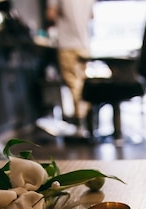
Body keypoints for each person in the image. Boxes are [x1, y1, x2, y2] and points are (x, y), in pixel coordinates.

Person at [46, 0, 94, 133]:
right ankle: (87, 119)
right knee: (82, 82)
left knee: (73, 83)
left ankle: (81, 122)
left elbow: (51, 14)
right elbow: (91, 16)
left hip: (67, 44)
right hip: (84, 44)